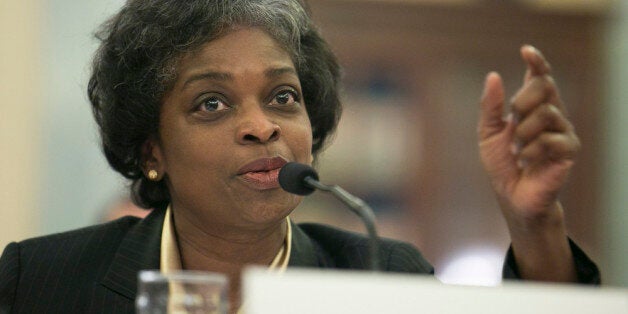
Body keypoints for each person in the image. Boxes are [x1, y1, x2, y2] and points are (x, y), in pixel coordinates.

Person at [0, 0, 599, 313]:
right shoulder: (41, 283)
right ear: (151, 149)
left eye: (282, 96)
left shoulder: (379, 277)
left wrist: (533, 223)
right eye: (211, 103)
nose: (262, 127)